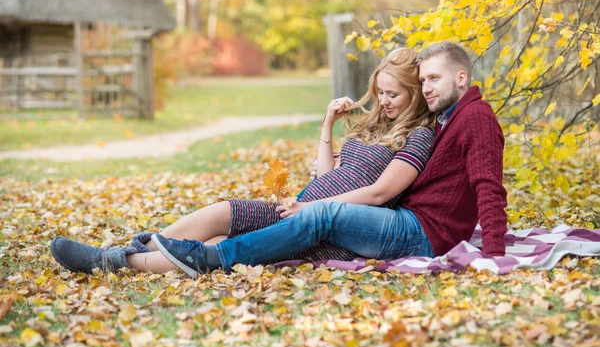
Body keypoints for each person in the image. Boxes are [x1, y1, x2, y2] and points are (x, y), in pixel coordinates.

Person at [50, 47, 436, 275]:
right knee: (223, 215)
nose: (384, 101)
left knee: (220, 243)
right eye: (380, 92)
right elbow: (326, 173)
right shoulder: (372, 124)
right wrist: (327, 125)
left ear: (415, 95)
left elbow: (378, 194)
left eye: (394, 95)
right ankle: (132, 248)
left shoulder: (418, 136)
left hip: (324, 226)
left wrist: (311, 207)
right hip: (299, 206)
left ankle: (114, 262)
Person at [150, 41, 509, 278]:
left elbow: (487, 187)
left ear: (461, 78)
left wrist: (495, 256)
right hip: (394, 218)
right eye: (425, 79)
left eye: (435, 78)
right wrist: (330, 132)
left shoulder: (472, 117)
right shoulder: (451, 117)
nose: (429, 86)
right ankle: (127, 254)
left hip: (420, 231)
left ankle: (208, 258)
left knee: (317, 216)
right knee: (234, 215)